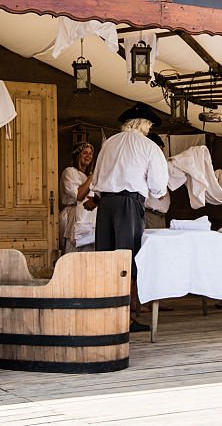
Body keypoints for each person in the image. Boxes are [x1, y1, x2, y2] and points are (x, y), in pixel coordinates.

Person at [87, 102, 168, 332]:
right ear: (145, 125)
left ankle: (105, 315)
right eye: (149, 126)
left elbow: (97, 178)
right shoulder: (148, 146)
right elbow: (158, 187)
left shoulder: (109, 143)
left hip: (106, 204)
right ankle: (124, 319)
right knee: (126, 257)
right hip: (128, 203)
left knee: (106, 258)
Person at [59, 142, 95, 254]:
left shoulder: (86, 175)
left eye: (90, 153)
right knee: (74, 252)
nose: (88, 156)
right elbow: (79, 195)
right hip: (73, 216)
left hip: (88, 216)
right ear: (77, 155)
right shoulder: (69, 172)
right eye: (85, 153)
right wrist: (92, 176)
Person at [144, 133, 171, 229]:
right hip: (150, 214)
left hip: (158, 215)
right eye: (160, 149)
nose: (162, 153)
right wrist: (159, 193)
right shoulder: (147, 164)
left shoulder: (160, 164)